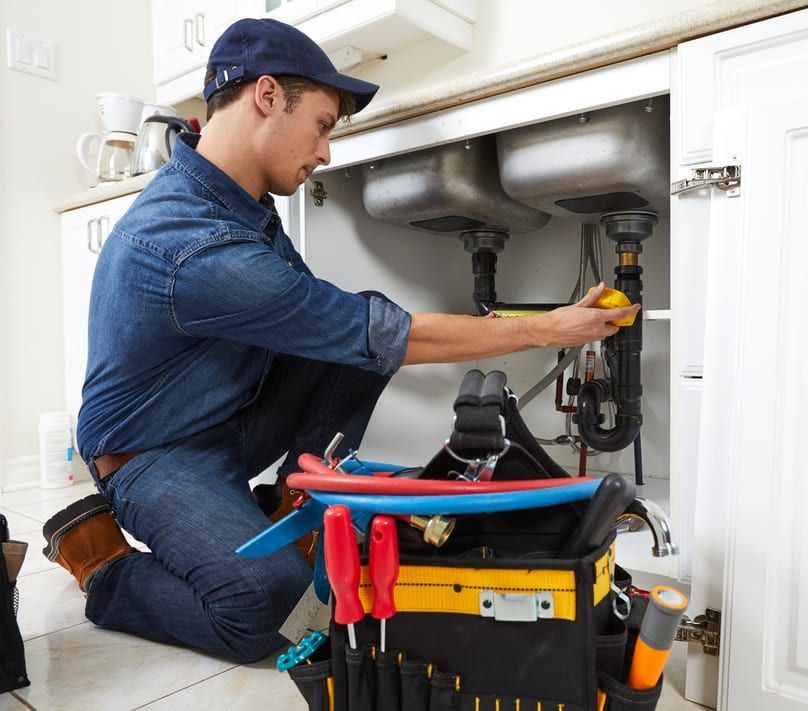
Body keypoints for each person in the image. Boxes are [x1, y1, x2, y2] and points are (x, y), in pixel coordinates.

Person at [42, 18, 639, 664]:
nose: (326, 152)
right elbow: (373, 332)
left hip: (223, 421)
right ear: (266, 97)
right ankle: (104, 568)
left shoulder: (240, 201)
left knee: (359, 338)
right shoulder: (194, 245)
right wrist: (549, 328)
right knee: (271, 610)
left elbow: (350, 329)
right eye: (323, 125)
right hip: (153, 456)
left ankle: (297, 500)